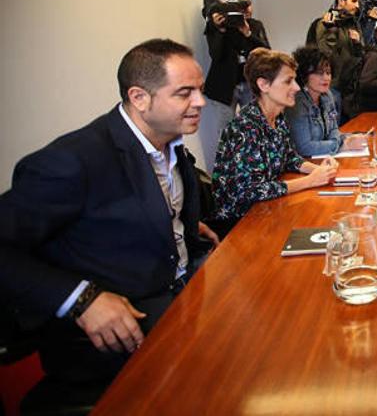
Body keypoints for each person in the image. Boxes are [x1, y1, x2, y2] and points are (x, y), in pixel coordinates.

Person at [0, 39, 218, 404]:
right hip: (122, 341)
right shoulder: (73, 160)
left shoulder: (171, 143)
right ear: (139, 98)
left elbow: (124, 212)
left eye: (200, 90)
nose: (200, 102)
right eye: (185, 93)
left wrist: (177, 224)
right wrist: (82, 299)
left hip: (184, 304)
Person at [211, 48, 338, 238]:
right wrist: (310, 181)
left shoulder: (277, 118)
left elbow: (289, 157)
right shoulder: (245, 127)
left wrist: (319, 170)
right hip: (242, 227)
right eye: (288, 81)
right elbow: (251, 191)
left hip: (269, 210)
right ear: (264, 85)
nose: (296, 87)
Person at [201, 0, 271, 172]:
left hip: (250, 84)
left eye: (248, 3)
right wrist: (221, 30)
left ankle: (256, 169)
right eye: (240, 3)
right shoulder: (217, 26)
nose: (246, 8)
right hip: (224, 87)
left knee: (254, 128)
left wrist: (247, 33)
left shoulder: (255, 26)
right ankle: (227, 174)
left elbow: (266, 54)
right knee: (226, 134)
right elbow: (215, 55)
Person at [287, 46, 368, 156]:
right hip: (305, 164)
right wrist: (343, 145)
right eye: (319, 73)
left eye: (328, 72)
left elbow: (333, 129)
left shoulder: (327, 95)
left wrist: (346, 139)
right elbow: (304, 147)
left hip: (324, 158)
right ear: (304, 75)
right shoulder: (297, 102)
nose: (326, 78)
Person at [315, 0, 364, 122]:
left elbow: (361, 55)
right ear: (341, 1)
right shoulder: (324, 23)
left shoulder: (354, 24)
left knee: (352, 130)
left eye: (358, 1)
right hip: (333, 87)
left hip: (351, 90)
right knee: (334, 129)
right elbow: (325, 53)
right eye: (354, 1)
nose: (357, 6)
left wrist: (358, 42)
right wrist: (331, 29)